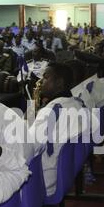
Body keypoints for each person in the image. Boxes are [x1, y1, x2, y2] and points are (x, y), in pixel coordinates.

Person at [28, 62, 87, 196]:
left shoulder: (51, 111)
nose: (41, 81)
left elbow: (28, 149)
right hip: (64, 175)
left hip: (44, 181)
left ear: (59, 83)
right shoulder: (78, 104)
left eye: (46, 77)